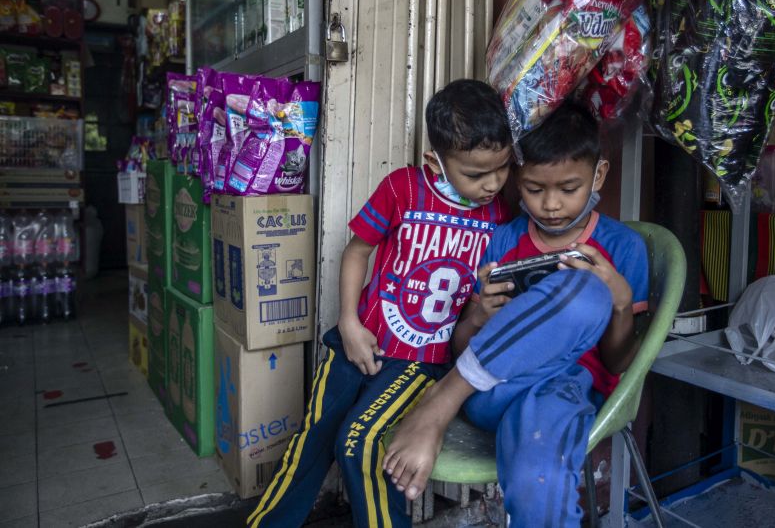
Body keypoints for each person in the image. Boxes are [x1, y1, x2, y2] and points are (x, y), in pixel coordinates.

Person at [246, 79, 513, 528]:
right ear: (436, 160)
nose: (492, 184)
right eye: (475, 173)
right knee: (314, 436)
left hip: (422, 360)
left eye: (502, 169)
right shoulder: (403, 188)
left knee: (361, 443)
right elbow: (356, 252)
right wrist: (349, 322)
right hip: (361, 338)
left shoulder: (499, 217)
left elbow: (478, 307)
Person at [383, 100, 650, 527]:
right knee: (582, 289)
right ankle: (441, 401)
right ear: (517, 181)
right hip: (492, 390)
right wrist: (478, 316)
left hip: (563, 394)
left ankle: (442, 399)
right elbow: (463, 343)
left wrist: (619, 300)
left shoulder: (623, 247)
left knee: (538, 482)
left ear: (598, 175)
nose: (551, 205)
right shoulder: (504, 240)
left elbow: (619, 363)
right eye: (534, 189)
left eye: (568, 188)